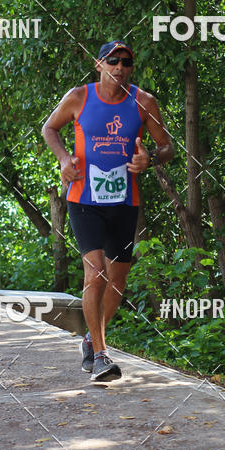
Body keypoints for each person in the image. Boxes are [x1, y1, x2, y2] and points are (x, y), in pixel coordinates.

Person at [41, 40, 174, 381]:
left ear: (132, 67)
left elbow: (166, 146)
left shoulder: (144, 102)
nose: (119, 67)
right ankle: (101, 356)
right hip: (83, 199)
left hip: (124, 203)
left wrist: (151, 159)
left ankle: (89, 339)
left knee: (116, 281)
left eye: (126, 62)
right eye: (112, 61)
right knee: (96, 271)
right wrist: (63, 160)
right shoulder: (79, 97)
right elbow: (49, 128)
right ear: (98, 65)